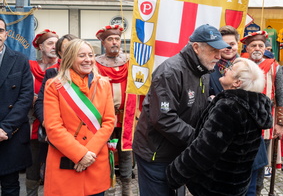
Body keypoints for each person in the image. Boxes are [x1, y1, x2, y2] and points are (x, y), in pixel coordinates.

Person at [133, 24, 230, 196]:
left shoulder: (204, 70)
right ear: (196, 47)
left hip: (179, 151)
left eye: (220, 50)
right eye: (213, 49)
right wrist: (200, 140)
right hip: (156, 154)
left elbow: (196, 107)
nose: (218, 55)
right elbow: (163, 118)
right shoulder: (170, 72)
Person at [166, 57, 273, 195]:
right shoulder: (252, 106)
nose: (226, 69)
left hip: (215, 186)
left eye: (231, 69)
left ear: (237, 82)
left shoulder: (229, 107)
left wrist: (173, 174)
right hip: (235, 185)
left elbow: (204, 149)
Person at [43, 39, 116, 195]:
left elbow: (109, 122)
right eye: (81, 55)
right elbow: (53, 128)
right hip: (65, 163)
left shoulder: (103, 84)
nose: (88, 59)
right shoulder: (53, 86)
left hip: (95, 162)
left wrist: (88, 154)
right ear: (70, 58)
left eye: (90, 55)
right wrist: (80, 154)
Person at [239, 30, 283, 193]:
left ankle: (257, 190)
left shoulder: (274, 66)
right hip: (242, 122)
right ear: (247, 48)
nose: (257, 48)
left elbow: (281, 96)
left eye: (261, 45)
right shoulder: (240, 65)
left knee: (260, 162)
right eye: (253, 45)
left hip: (265, 124)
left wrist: (280, 124)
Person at [95, 25, 137, 196]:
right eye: (110, 39)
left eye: (117, 39)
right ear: (103, 43)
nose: (114, 42)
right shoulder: (96, 63)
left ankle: (127, 190)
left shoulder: (130, 61)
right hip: (104, 119)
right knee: (105, 153)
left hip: (126, 117)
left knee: (126, 153)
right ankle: (108, 189)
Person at [0, 18, 34, 195]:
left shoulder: (20, 60)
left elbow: (25, 97)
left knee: (11, 186)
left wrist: (5, 128)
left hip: (10, 135)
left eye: (0, 31)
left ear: (6, 34)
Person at [27, 29, 59, 195]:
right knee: (33, 165)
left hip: (58, 124)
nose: (54, 46)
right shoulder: (30, 67)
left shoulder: (63, 68)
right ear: (40, 47)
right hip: (34, 123)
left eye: (56, 43)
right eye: (50, 43)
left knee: (54, 167)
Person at [34, 34, 78, 138]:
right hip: (59, 131)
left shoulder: (92, 74)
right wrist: (46, 123)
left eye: (74, 47)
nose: (71, 51)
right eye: (66, 48)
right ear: (60, 53)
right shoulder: (52, 73)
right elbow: (40, 102)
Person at [209, 25, 240, 96]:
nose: (228, 48)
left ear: (237, 44)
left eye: (232, 44)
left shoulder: (246, 67)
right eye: (224, 44)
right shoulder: (209, 67)